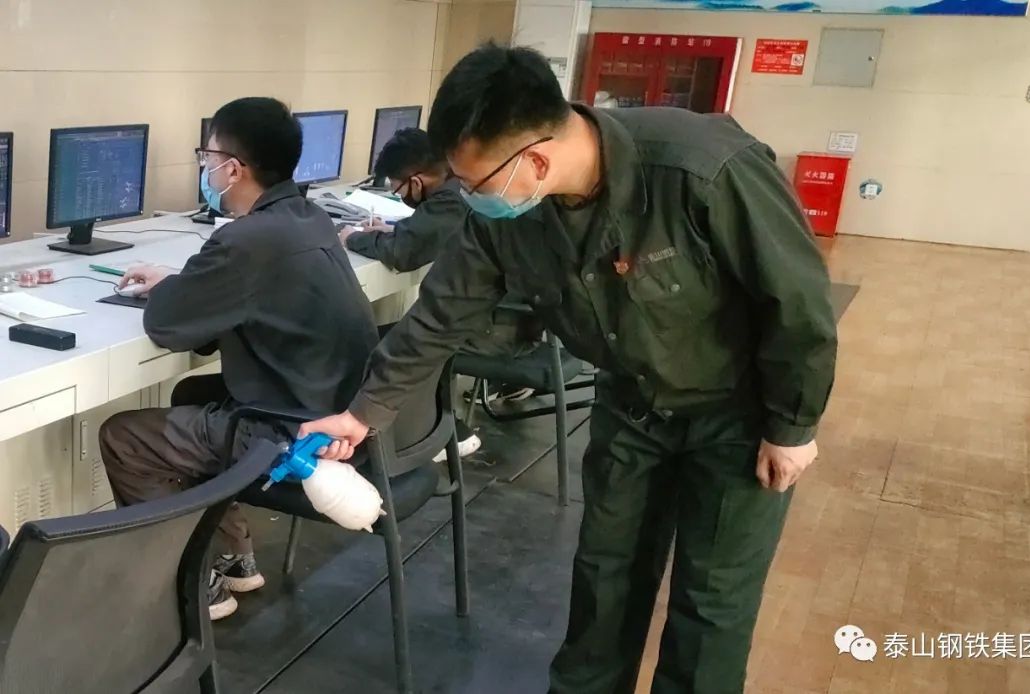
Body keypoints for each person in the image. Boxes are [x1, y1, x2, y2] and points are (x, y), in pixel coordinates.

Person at [301, 43, 837, 693]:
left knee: (711, 603)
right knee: (605, 579)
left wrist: (792, 425)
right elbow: (439, 316)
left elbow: (797, 300)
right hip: (632, 406)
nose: (470, 198)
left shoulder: (701, 169)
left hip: (739, 416)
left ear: (535, 160)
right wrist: (364, 414)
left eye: (475, 184)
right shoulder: (508, 214)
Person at [99, 97, 378, 621]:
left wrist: (172, 289)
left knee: (124, 436)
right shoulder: (309, 218)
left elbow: (168, 325)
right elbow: (243, 295)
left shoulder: (246, 240)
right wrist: (185, 282)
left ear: (233, 169)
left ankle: (190, 582)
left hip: (293, 433)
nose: (205, 167)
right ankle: (233, 555)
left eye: (207, 156)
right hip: (336, 414)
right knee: (190, 394)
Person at [339, 128, 542, 450]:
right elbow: (427, 234)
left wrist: (352, 237)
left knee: (399, 338)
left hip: (497, 331)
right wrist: (396, 229)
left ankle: (441, 434)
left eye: (398, 189)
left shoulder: (452, 198)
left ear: (417, 182)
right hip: (519, 319)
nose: (401, 196)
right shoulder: (458, 191)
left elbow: (403, 253)